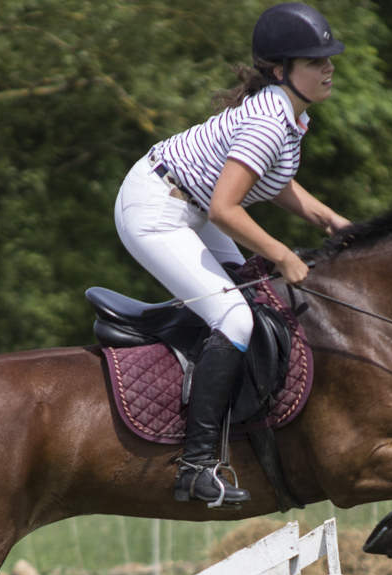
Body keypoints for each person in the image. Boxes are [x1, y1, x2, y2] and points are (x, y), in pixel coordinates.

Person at [114, 2, 351, 508]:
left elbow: (275, 179)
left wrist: (328, 218)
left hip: (190, 208)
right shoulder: (270, 119)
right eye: (315, 61)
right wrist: (283, 252)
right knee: (236, 319)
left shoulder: (287, 112)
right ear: (281, 70)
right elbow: (226, 207)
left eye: (328, 58)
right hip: (158, 210)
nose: (329, 67)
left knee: (256, 299)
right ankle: (196, 467)